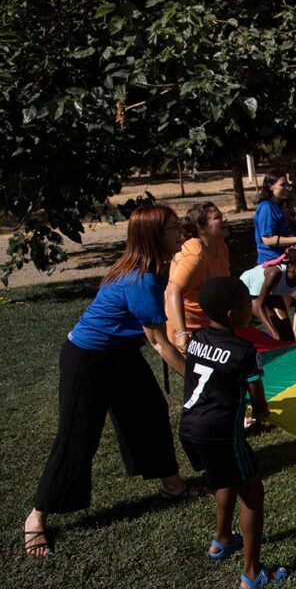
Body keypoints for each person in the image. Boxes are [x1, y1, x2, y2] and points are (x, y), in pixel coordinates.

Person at [24, 206, 204, 557]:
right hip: (87, 359)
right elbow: (158, 342)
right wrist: (196, 379)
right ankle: (36, 518)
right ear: (154, 236)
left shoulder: (151, 268)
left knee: (150, 412)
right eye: (171, 228)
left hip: (120, 354)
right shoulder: (141, 277)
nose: (178, 233)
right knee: (78, 436)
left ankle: (172, 486)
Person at [179, 276, 287, 589]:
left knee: (223, 479)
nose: (250, 310)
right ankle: (252, 575)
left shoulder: (197, 338)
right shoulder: (243, 350)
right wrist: (262, 414)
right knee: (253, 493)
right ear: (231, 314)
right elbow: (256, 391)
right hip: (222, 433)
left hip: (190, 426)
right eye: (245, 305)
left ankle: (222, 540)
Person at [166, 202, 231, 353]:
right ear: (202, 229)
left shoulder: (221, 246)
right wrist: (181, 333)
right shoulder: (194, 256)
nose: (225, 219)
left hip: (211, 327)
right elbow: (172, 292)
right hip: (190, 333)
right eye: (217, 217)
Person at [240, 246, 296, 342]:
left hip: (271, 293)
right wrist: (273, 332)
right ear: (291, 266)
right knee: (277, 330)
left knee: (288, 334)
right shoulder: (274, 273)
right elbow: (259, 304)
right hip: (250, 292)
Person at [254, 170, 296, 265]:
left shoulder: (278, 207)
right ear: (270, 186)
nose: (287, 187)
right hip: (270, 264)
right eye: (282, 184)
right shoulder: (266, 207)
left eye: (287, 184)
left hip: (283, 260)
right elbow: (268, 240)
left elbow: (285, 235)